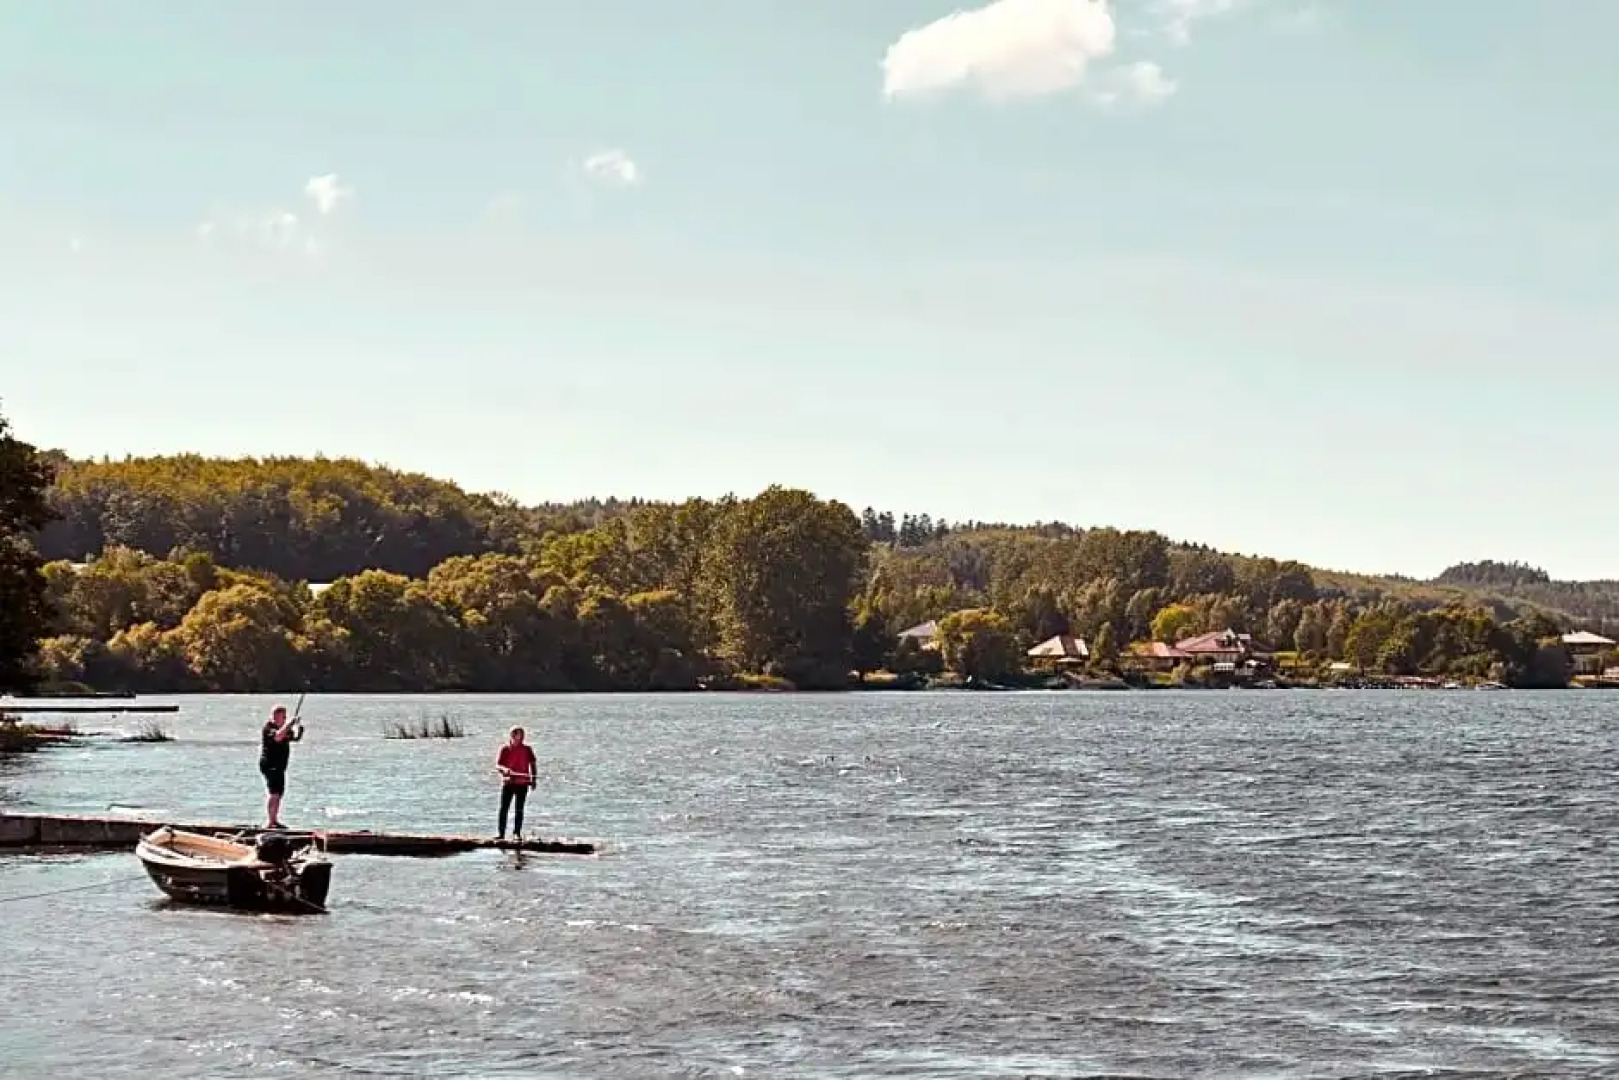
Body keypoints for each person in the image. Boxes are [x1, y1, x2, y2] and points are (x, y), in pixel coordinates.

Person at [259, 705, 303, 829]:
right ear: (275, 716)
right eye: (283, 716)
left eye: (285, 717)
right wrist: (289, 723)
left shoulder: (284, 728)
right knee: (274, 793)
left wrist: (298, 728)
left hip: (280, 766)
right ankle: (270, 822)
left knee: (279, 793)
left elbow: (294, 738)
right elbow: (278, 736)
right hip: (270, 764)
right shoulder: (269, 728)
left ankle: (274, 820)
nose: (284, 718)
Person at [495, 726, 537, 842]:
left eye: (523, 735)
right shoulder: (505, 749)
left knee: (519, 809)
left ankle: (517, 833)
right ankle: (501, 834)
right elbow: (498, 765)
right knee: (504, 808)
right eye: (520, 735)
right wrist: (504, 770)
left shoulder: (527, 749)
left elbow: (533, 764)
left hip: (522, 783)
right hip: (508, 783)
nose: (523, 737)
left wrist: (533, 780)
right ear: (513, 736)